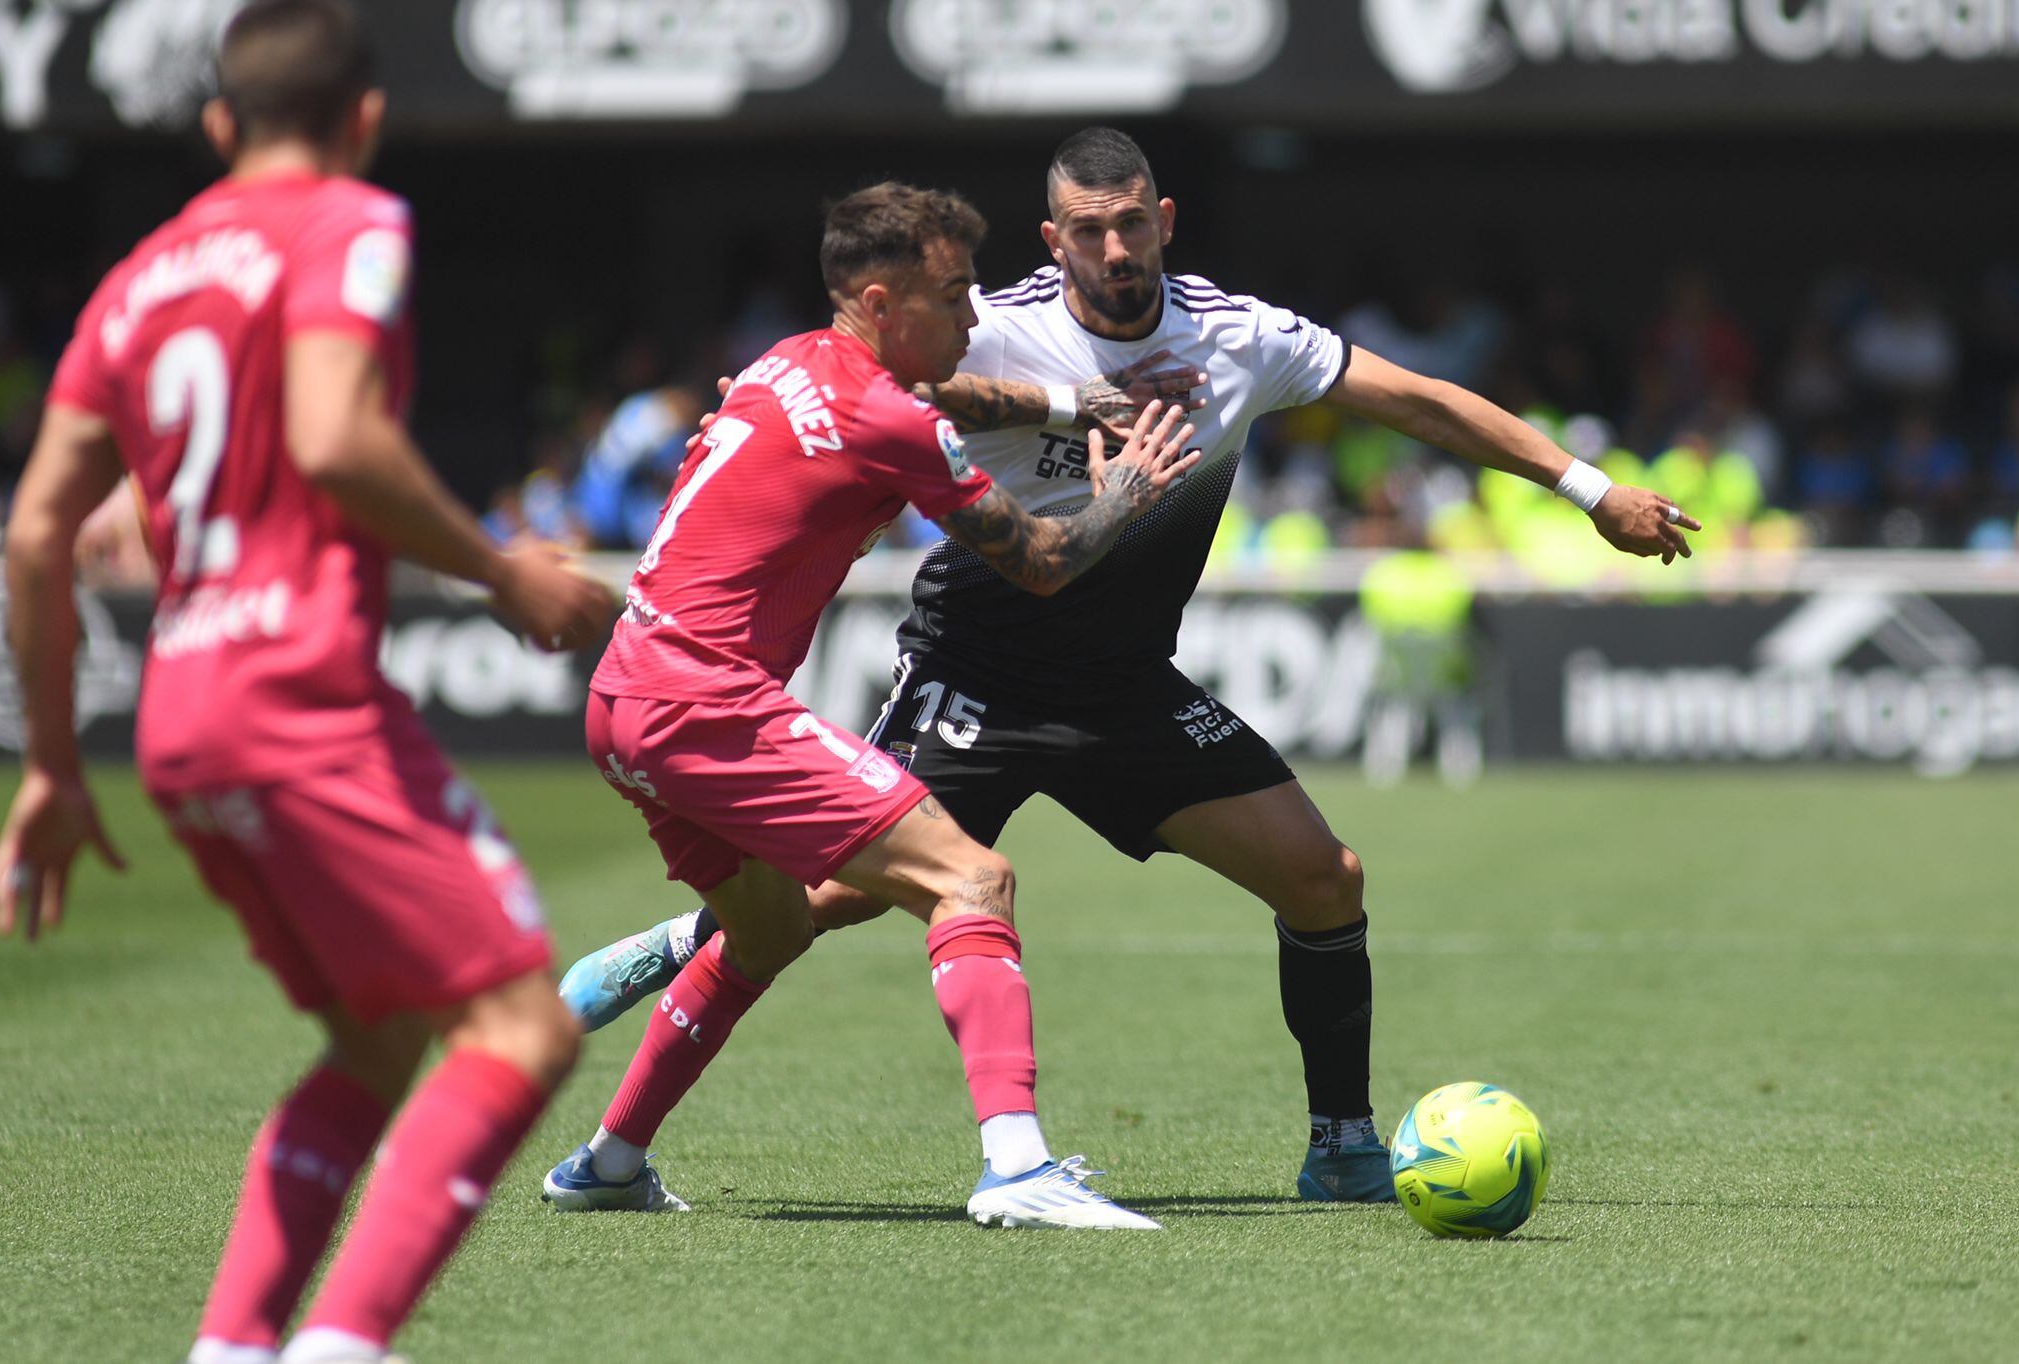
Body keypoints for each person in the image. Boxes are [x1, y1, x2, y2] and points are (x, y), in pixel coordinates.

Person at [567, 126, 1696, 1206]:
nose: (1113, 250)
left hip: (1121, 687)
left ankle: (1342, 1144)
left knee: (1324, 878)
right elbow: (865, 396)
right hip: (975, 672)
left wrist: (1589, 490)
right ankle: (691, 942)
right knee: (818, 907)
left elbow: (1416, 401)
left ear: (1162, 221)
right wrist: (770, 405)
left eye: (1128, 226)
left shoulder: (1238, 336)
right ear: (1049, 240)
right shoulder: (989, 327)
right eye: (1085, 230)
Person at [0, 5, 615, 1362]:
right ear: (366, 120)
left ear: (218, 125)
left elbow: (36, 535)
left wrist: (47, 766)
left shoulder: (139, 276)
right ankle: (346, 1346)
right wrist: (503, 573)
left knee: (379, 1049)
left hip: (179, 721)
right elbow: (332, 435)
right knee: (518, 1029)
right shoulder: (350, 222)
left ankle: (236, 1348)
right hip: (300, 696)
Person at [540, 180, 1200, 1232]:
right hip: (704, 699)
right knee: (970, 875)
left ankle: (608, 1160)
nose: (976, 317)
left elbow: (944, 403)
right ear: (884, 303)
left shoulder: (789, 359)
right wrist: (1125, 491)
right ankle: (1017, 1165)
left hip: (625, 697)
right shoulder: (884, 414)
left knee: (765, 935)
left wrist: (1076, 403)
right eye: (953, 295)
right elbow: (1040, 561)